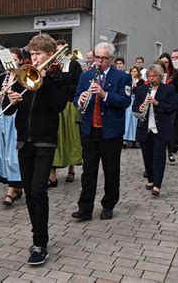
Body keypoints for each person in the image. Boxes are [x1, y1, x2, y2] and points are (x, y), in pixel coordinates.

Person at [4, 34, 70, 265]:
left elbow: (59, 105)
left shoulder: (59, 76)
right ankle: (38, 236)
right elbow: (7, 111)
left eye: (38, 54)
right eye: (32, 54)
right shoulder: (21, 75)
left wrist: (44, 81)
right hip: (24, 141)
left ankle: (40, 243)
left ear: (49, 55)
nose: (34, 58)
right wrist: (10, 100)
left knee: (38, 191)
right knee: (30, 193)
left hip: (45, 141)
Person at [72, 42, 131, 221]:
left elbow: (125, 101)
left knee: (111, 170)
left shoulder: (122, 77)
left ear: (111, 59)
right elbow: (75, 97)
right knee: (88, 171)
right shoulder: (86, 75)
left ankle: (108, 205)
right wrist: (80, 100)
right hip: (90, 130)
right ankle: (85, 208)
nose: (100, 61)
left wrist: (105, 95)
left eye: (104, 58)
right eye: (97, 57)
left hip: (111, 132)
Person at [133, 65, 177, 196]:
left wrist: (157, 103)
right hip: (145, 128)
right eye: (150, 76)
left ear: (160, 76)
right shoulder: (141, 89)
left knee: (159, 157)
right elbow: (134, 107)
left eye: (155, 76)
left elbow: (172, 107)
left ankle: (157, 185)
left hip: (160, 128)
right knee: (147, 156)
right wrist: (140, 108)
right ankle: (151, 180)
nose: (152, 79)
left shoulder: (169, 89)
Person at [49, 40, 83, 185]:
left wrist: (64, 86)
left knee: (70, 136)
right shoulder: (51, 64)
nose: (59, 53)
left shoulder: (73, 64)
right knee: (55, 138)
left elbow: (80, 84)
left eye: (61, 50)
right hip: (55, 104)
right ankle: (52, 174)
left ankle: (71, 168)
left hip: (69, 104)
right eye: (56, 50)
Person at [0, 47, 23, 206]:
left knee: (13, 154)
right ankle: (16, 187)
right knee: (4, 153)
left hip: (15, 118)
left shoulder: (23, 77)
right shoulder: (2, 77)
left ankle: (11, 191)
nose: (10, 63)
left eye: (14, 59)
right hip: (1, 117)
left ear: (20, 61)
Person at [158, 53, 178, 163]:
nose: (164, 64)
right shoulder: (156, 72)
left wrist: (169, 86)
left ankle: (170, 151)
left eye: (166, 62)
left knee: (169, 127)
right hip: (157, 103)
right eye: (162, 62)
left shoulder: (174, 73)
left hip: (169, 104)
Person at [123, 66, 144, 147]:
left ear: (138, 72)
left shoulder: (141, 81)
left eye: (135, 71)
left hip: (136, 100)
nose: (133, 73)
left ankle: (134, 139)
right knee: (127, 119)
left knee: (134, 120)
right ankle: (125, 138)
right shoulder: (127, 80)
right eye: (132, 71)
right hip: (129, 100)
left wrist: (136, 86)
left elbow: (141, 91)